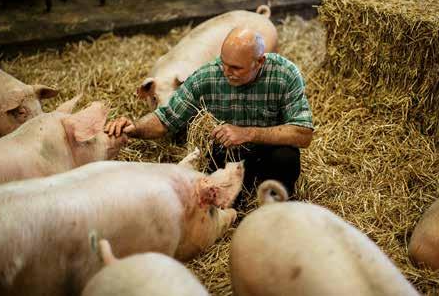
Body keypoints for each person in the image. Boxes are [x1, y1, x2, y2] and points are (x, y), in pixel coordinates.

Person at [105, 27, 314, 201]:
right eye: (223, 62)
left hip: (270, 152)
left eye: (236, 67)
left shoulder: (285, 74)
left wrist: (248, 133)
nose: (226, 71)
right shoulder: (208, 76)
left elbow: (303, 134)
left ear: (259, 62)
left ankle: (275, 207)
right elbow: (165, 119)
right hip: (229, 157)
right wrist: (134, 128)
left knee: (286, 157)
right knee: (217, 187)